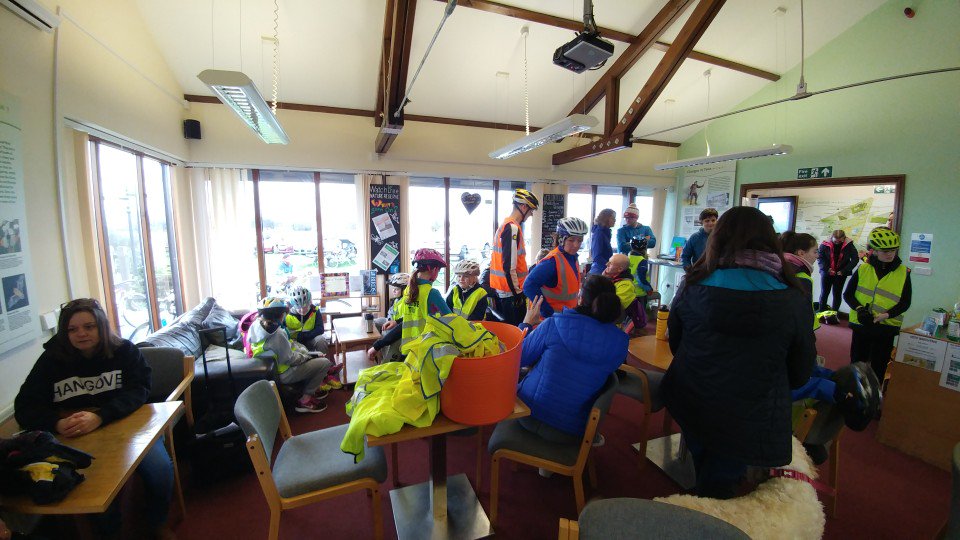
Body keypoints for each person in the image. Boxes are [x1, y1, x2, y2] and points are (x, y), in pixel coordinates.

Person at [660, 206, 816, 499]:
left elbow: (676, 342)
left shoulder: (695, 283)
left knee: (705, 460)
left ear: (718, 238)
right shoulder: (792, 296)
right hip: (751, 409)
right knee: (723, 477)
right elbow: (800, 369)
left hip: (695, 394)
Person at [14, 298, 175, 539]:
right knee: (96, 486)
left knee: (160, 470)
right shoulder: (50, 361)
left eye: (89, 327)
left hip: (128, 425)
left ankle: (157, 522)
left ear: (101, 326)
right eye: (73, 329)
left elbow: (140, 390)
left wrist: (100, 416)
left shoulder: (125, 351)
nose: (81, 334)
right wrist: (55, 422)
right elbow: (25, 407)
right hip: (77, 435)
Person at [515, 275, 628, 446]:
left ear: (580, 297)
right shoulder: (620, 342)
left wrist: (526, 325)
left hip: (531, 414)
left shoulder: (554, 324)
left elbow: (518, 358)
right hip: (576, 429)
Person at [844, 228, 912, 381]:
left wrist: (886, 315)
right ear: (874, 250)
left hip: (885, 328)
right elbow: (848, 295)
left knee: (878, 368)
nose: (890, 254)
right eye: (885, 251)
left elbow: (905, 302)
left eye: (893, 250)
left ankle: (874, 394)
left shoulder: (903, 272)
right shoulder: (863, 269)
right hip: (862, 324)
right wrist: (860, 309)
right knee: (857, 364)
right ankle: (855, 392)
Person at [248, 297, 332, 413]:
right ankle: (305, 400)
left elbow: (288, 348)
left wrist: (307, 353)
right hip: (284, 373)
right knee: (325, 363)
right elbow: (290, 359)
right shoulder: (277, 334)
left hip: (272, 371)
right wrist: (309, 356)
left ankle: (308, 390)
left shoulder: (257, 327)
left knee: (312, 356)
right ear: (280, 315)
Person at [372, 248, 452, 360]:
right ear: (434, 270)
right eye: (438, 271)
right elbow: (451, 322)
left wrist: (396, 322)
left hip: (409, 349)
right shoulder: (431, 293)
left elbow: (410, 318)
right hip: (425, 351)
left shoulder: (408, 291)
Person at [490, 188, 539, 325]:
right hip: (510, 293)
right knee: (517, 332)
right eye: (531, 210)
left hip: (505, 290)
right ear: (523, 207)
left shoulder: (506, 225)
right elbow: (509, 266)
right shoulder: (512, 228)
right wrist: (518, 293)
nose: (531, 214)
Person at [523, 217, 587, 319]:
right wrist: (547, 312)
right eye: (571, 240)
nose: (576, 245)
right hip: (549, 322)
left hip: (565, 318)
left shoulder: (572, 258)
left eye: (579, 240)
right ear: (561, 239)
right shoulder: (551, 262)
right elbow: (528, 286)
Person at [817, 229, 858, 316]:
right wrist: (827, 269)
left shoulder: (849, 245)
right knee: (824, 293)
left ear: (844, 238)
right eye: (835, 241)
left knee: (837, 294)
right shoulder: (825, 244)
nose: (837, 243)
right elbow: (820, 257)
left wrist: (845, 270)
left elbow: (855, 259)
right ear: (832, 237)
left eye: (840, 241)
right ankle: (821, 313)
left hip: (841, 273)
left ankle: (834, 314)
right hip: (827, 272)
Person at [284, 285, 328, 354]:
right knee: (298, 348)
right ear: (293, 306)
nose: (302, 310)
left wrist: (303, 336)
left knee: (321, 340)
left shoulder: (315, 310)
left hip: (311, 338)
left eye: (305, 307)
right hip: (295, 341)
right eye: (299, 308)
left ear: (309, 303)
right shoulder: (287, 315)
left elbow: (320, 329)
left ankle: (323, 358)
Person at [589, 208, 616, 274]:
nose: (615, 220)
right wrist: (610, 265)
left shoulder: (605, 233)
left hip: (603, 269)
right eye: (613, 218)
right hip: (599, 271)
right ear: (606, 219)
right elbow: (596, 256)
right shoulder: (599, 233)